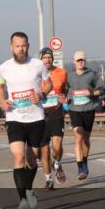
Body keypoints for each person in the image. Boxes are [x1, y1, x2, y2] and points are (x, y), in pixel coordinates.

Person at [0, 32, 52, 209]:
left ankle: (28, 191)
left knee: (32, 159)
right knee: (18, 157)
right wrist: (2, 100)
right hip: (15, 118)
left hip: (36, 118)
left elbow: (48, 84)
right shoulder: (4, 67)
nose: (21, 49)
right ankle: (23, 199)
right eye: (17, 46)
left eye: (24, 45)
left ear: (28, 46)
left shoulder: (38, 64)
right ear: (11, 47)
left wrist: (42, 94)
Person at [67, 51, 105, 180]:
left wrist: (90, 93)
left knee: (86, 140)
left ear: (85, 61)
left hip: (89, 109)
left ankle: (84, 160)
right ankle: (80, 168)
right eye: (78, 60)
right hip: (74, 110)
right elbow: (63, 90)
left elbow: (102, 90)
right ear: (74, 62)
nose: (80, 62)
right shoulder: (69, 76)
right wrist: (64, 97)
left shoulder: (93, 75)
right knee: (78, 137)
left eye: (82, 60)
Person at [38, 47, 68, 190]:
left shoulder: (61, 73)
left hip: (56, 114)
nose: (47, 60)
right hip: (40, 116)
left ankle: (57, 164)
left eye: (49, 57)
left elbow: (66, 90)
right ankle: (48, 179)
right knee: (44, 151)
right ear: (40, 59)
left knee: (56, 148)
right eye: (45, 57)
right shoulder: (35, 75)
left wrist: (64, 97)